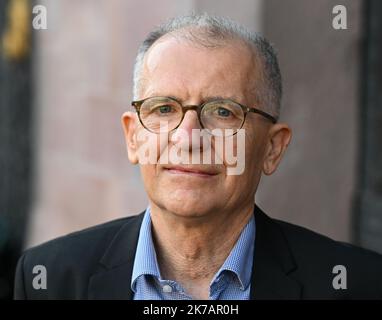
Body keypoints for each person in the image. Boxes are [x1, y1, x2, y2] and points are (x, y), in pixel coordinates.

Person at [14, 13, 382, 300]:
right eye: (163, 109)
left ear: (272, 148)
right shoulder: (50, 278)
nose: (189, 138)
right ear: (133, 137)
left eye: (223, 112)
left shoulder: (357, 284)